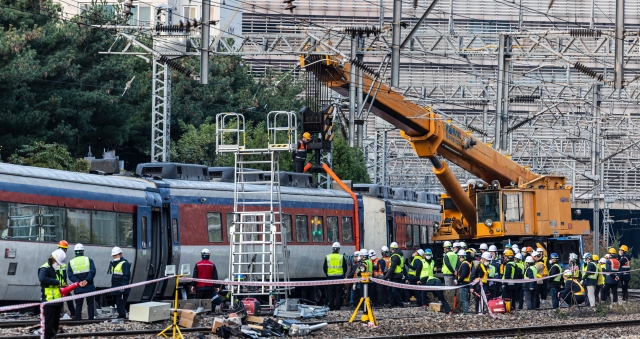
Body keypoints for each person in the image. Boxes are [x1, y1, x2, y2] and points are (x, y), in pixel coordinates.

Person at [67, 243, 96, 320]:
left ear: (75, 252)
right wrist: (86, 280)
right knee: (90, 304)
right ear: (83, 251)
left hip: (78, 287)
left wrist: (79, 282)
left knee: (78, 304)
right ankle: (90, 320)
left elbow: (70, 275)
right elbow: (92, 272)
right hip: (89, 286)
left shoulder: (71, 262)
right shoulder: (89, 260)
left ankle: (78, 320)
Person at [420, 249, 452, 314]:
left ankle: (424, 304)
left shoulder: (432, 262)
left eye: (429, 255)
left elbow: (435, 268)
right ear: (424, 255)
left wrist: (435, 268)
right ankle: (449, 311)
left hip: (429, 282)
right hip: (438, 284)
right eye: (427, 255)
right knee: (441, 298)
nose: (428, 256)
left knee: (423, 291)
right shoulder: (422, 262)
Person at [108, 246, 131, 319]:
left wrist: (123, 287)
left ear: (120, 254)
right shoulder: (115, 263)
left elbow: (126, 276)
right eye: (114, 256)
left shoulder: (124, 263)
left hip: (121, 288)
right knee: (117, 303)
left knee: (120, 303)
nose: (115, 257)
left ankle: (122, 316)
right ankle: (121, 316)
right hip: (116, 287)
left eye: (116, 255)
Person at [323, 242, 347, 311]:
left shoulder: (328, 257)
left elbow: (324, 268)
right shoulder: (341, 257)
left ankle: (331, 307)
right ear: (339, 249)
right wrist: (343, 274)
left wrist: (328, 274)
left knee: (331, 294)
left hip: (330, 277)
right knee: (338, 293)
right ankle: (337, 307)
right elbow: (345, 268)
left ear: (332, 249)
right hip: (339, 277)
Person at [56, 240, 76, 316]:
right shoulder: (61, 258)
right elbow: (63, 274)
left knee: (60, 300)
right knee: (68, 299)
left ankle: (59, 314)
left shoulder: (56, 257)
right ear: (64, 249)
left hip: (58, 284)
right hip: (61, 284)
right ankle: (73, 314)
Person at [383, 242, 406, 308]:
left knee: (393, 290)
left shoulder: (395, 256)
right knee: (390, 289)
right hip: (397, 275)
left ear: (392, 249)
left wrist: (386, 276)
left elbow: (392, 267)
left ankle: (399, 303)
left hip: (395, 275)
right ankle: (393, 303)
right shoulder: (399, 255)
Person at [455, 249, 473, 314]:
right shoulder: (466, 263)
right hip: (466, 283)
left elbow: (464, 274)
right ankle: (465, 311)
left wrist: (458, 281)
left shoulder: (464, 264)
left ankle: (465, 312)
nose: (458, 257)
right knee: (465, 299)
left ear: (460, 256)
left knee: (464, 299)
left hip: (464, 283)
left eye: (458, 256)